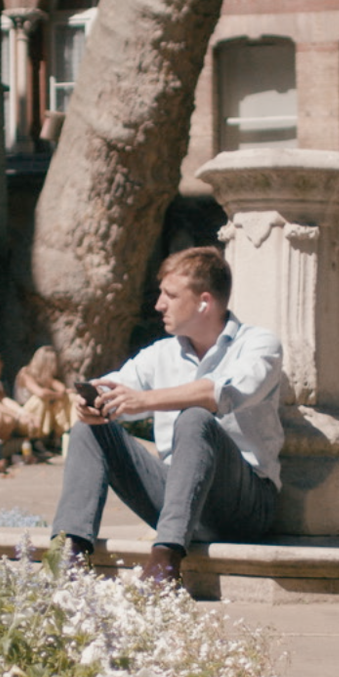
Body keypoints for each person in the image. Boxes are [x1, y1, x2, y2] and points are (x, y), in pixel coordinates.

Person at [53, 246, 283, 584]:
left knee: (195, 417)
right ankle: (68, 557)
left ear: (204, 302)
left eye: (170, 295)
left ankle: (164, 566)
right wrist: (92, 403)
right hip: (176, 497)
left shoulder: (260, 345)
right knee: (90, 429)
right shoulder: (160, 353)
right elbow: (117, 387)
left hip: (244, 507)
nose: (159, 304)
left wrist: (144, 401)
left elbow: (222, 393)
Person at [12, 345, 82, 458]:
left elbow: (61, 389)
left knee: (70, 397)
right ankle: (36, 440)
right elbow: (40, 393)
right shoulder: (25, 373)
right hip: (24, 414)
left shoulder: (45, 377)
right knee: (41, 400)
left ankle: (71, 431)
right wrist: (57, 394)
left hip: (42, 416)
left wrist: (62, 393)